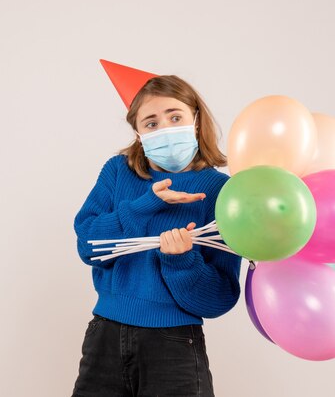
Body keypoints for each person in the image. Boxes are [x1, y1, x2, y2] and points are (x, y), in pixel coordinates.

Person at [71, 60, 242, 397]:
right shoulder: (119, 172)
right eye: (151, 123)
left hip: (174, 342)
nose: (164, 128)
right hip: (105, 335)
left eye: (174, 116)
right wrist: (146, 202)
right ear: (138, 133)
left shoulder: (220, 191)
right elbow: (88, 247)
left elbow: (220, 299)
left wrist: (181, 261)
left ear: (195, 119)